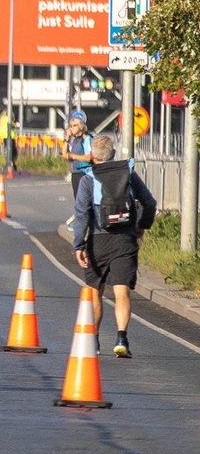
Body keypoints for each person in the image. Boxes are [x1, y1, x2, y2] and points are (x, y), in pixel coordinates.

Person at [73, 132, 157, 357]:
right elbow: (149, 202)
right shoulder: (128, 173)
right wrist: (142, 226)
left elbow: (81, 214)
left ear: (92, 155)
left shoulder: (87, 179)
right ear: (112, 154)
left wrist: (79, 245)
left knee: (94, 292)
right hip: (125, 240)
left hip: (97, 241)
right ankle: (121, 339)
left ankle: (94, 341)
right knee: (121, 292)